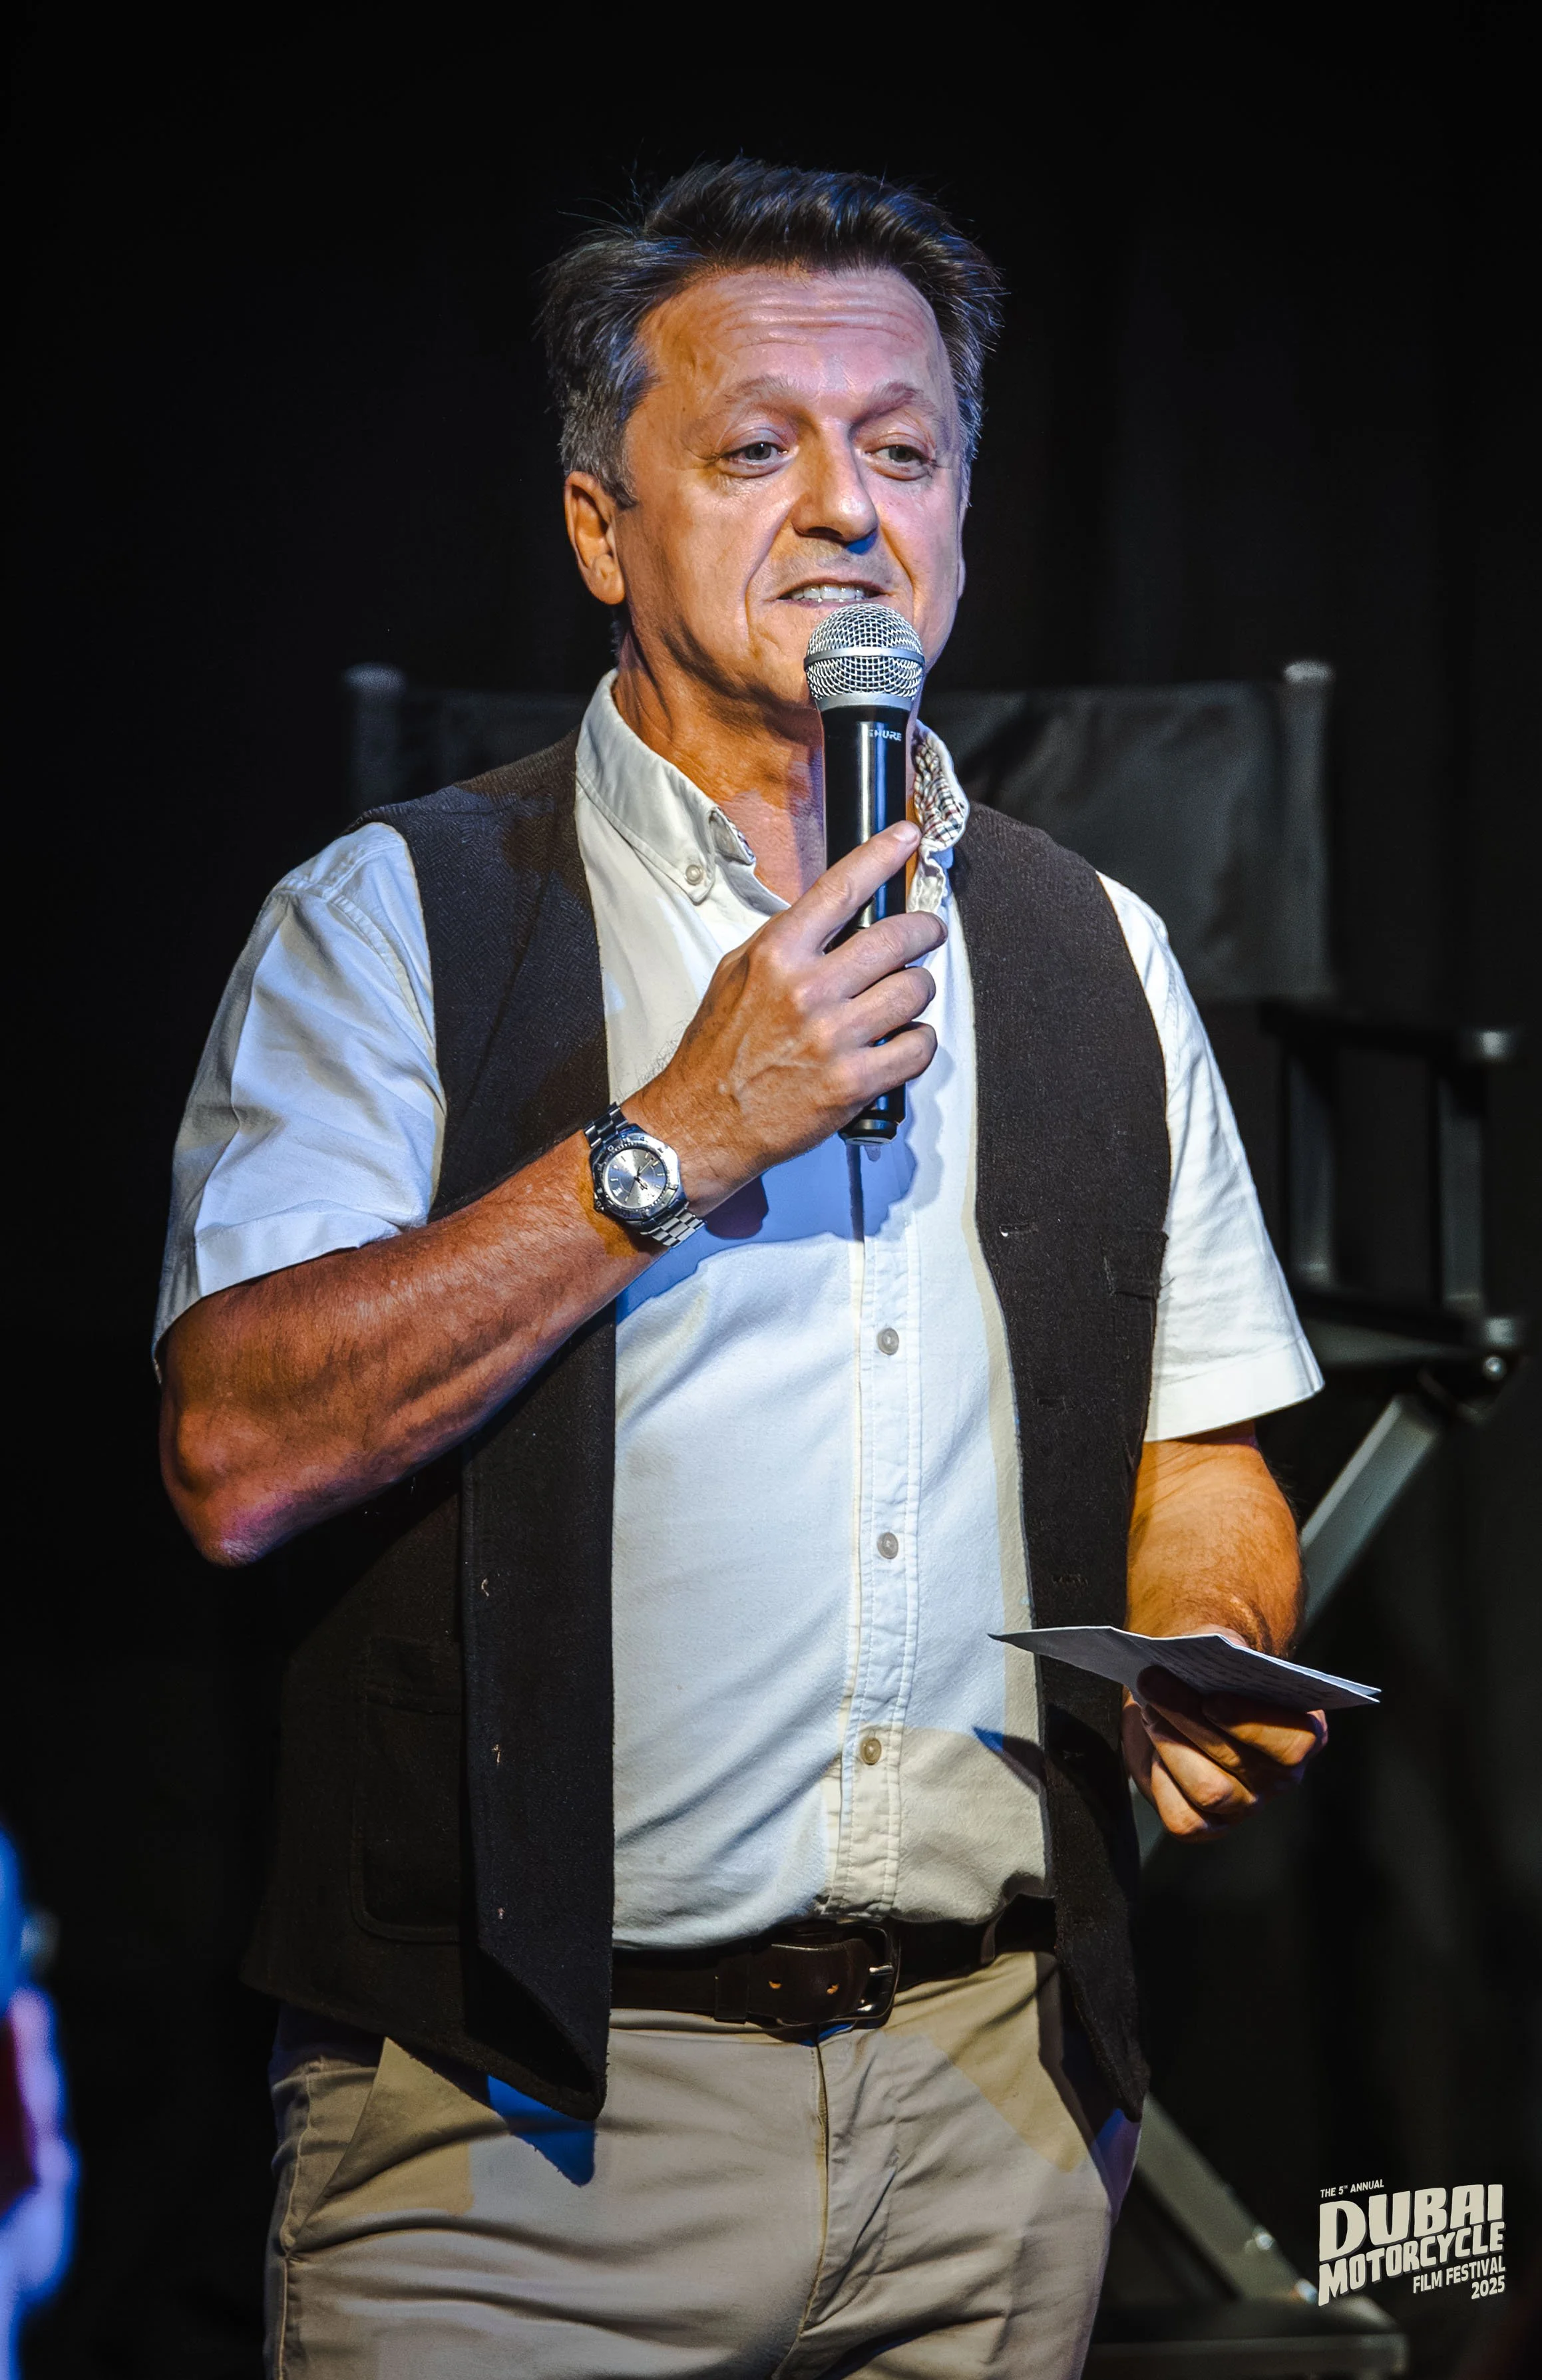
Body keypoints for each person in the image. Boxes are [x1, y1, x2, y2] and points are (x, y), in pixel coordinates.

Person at [156, 160, 1328, 2380]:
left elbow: (1201, 1449)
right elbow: (235, 1451)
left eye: (904, 451)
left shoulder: (1091, 946)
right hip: (524, 2132)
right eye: (758, 450)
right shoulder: (394, 920)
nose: (846, 513)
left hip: (991, 2111)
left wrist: (1210, 1632)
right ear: (602, 528)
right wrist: (682, 1135)